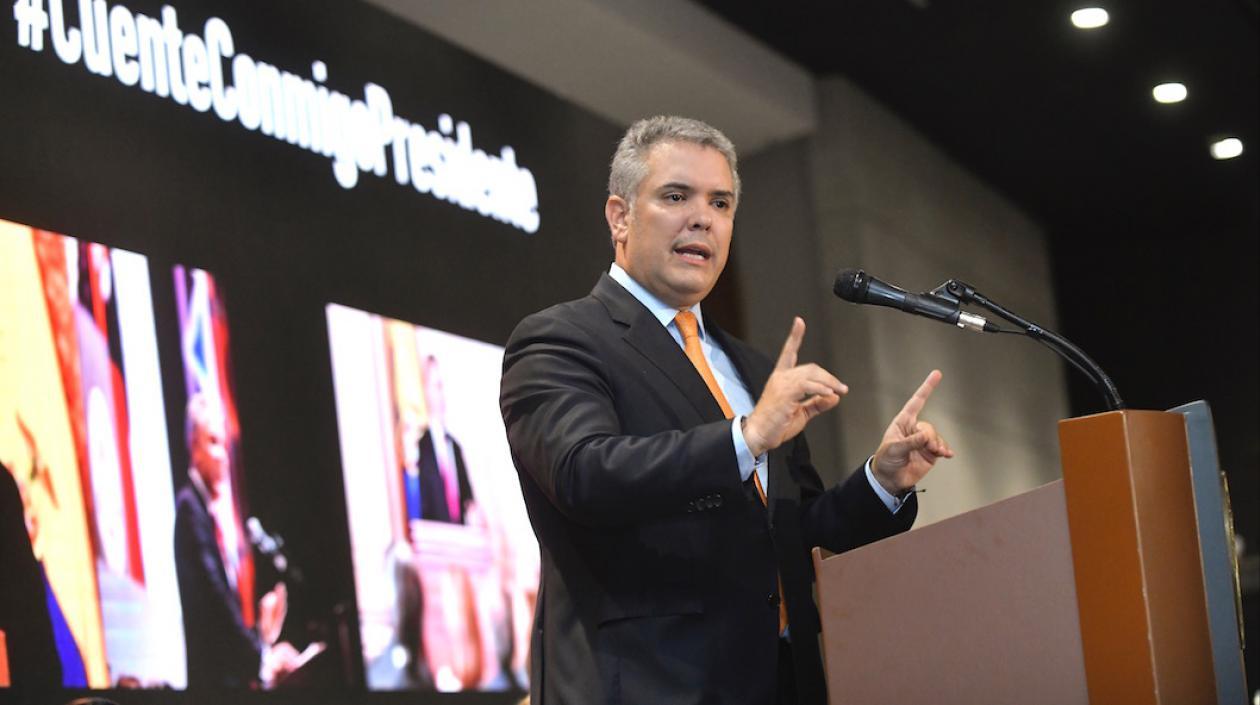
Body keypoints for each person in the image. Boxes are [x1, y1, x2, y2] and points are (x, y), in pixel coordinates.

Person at [499, 116, 953, 705]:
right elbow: (585, 475)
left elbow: (793, 532)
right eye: (675, 196)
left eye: (721, 202)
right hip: (651, 685)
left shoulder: (755, 369)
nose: (702, 218)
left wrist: (881, 482)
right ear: (619, 217)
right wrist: (745, 437)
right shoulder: (560, 339)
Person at [173, 393, 297, 688]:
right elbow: (214, 603)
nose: (224, 456)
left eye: (225, 445)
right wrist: (261, 658)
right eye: (213, 442)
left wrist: (260, 633)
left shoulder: (203, 511)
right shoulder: (190, 509)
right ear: (194, 449)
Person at [415, 355, 475, 524]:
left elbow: (468, 499)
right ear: (425, 389)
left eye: (443, 386)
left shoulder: (455, 447)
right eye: (437, 386)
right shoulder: (419, 446)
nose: (442, 394)